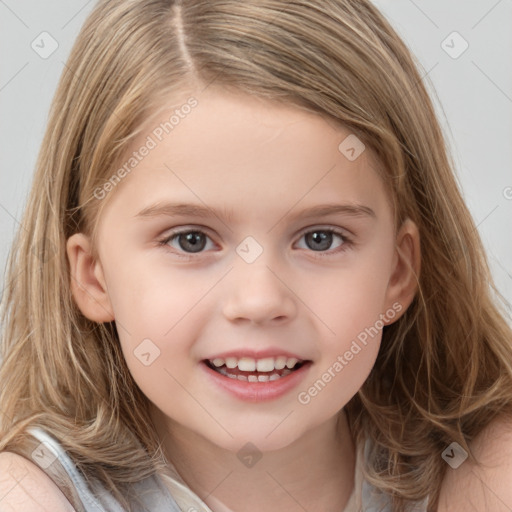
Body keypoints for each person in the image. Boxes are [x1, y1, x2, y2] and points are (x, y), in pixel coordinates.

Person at [1, 0, 512, 511]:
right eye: (191, 240)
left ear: (398, 273)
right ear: (94, 277)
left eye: (320, 238)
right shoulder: (29, 498)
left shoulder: (482, 475)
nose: (260, 300)